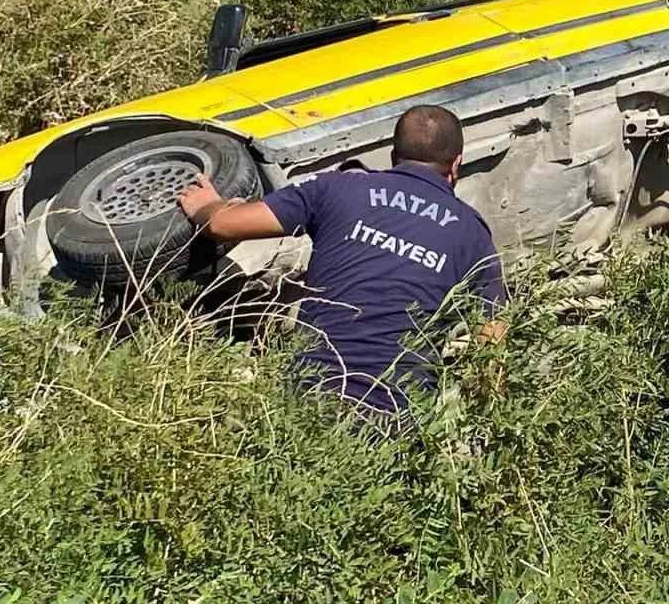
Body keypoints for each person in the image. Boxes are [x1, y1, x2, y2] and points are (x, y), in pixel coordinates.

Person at [177, 104, 506, 417]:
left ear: (394, 157)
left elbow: (222, 225)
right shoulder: (473, 234)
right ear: (456, 164)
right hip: (400, 415)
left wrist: (205, 204)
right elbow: (493, 343)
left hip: (311, 394)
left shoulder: (338, 187)